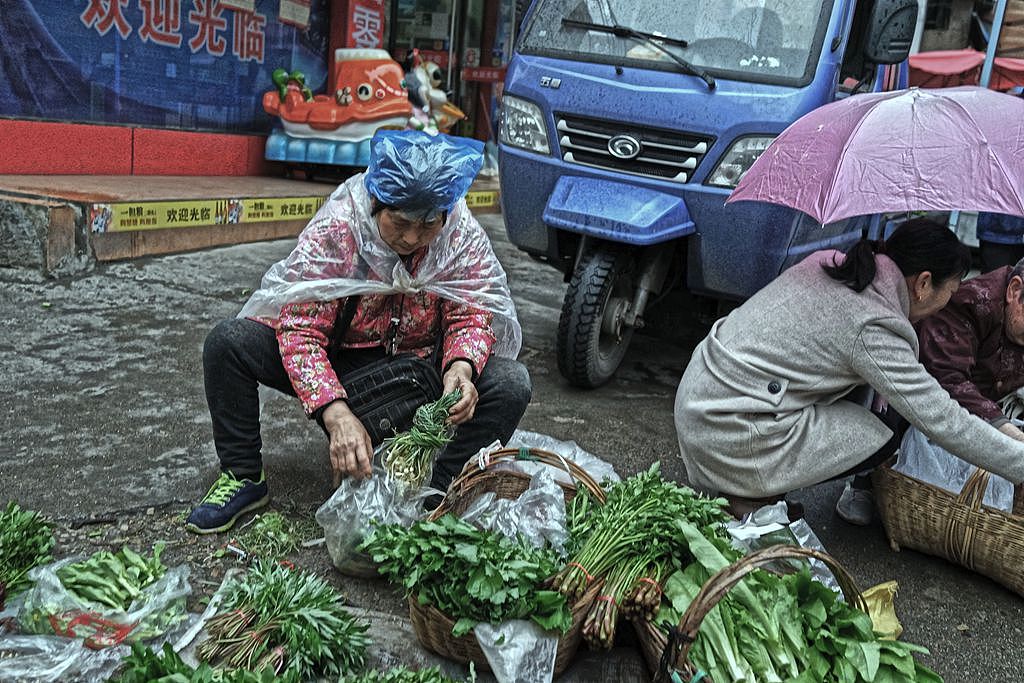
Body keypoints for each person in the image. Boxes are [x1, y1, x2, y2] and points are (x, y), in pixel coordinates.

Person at [186, 130, 532, 534]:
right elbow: (300, 333)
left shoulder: (459, 237)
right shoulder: (338, 230)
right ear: (374, 203)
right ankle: (244, 477)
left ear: (445, 214)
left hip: (418, 373)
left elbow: (471, 314)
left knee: (511, 381)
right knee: (229, 343)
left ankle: (438, 495)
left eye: (427, 225)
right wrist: (336, 415)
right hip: (339, 368)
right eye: (399, 222)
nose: (411, 238)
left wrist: (461, 368)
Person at [674, 218, 1024, 519]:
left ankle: (755, 481)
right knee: (887, 428)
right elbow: (944, 419)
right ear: (922, 283)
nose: (948, 302)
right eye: (949, 291)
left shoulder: (832, 263)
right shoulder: (873, 326)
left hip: (700, 400)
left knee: (868, 393)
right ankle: (749, 493)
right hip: (725, 435)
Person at [835, 256, 1024, 524]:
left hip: (984, 403)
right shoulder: (972, 303)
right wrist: (1011, 437)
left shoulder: (1015, 320)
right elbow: (949, 380)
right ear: (1015, 291)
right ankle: (866, 480)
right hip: (928, 394)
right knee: (894, 424)